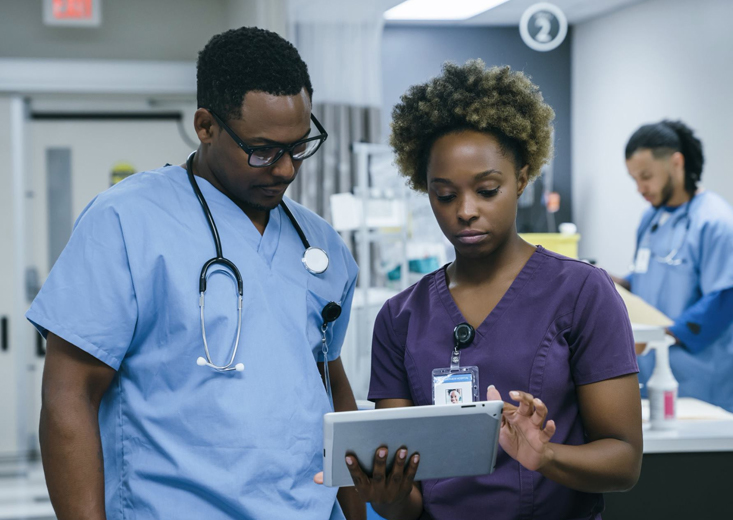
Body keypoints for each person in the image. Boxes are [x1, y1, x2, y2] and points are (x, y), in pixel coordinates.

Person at [27, 27, 365, 520]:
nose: (287, 170)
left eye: (299, 147)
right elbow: (69, 393)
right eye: (264, 149)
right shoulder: (126, 221)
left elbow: (330, 387)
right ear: (205, 126)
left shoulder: (321, 244)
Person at [338, 61, 643, 520]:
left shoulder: (582, 292)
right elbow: (407, 505)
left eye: (487, 189)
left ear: (521, 178)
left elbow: (624, 461)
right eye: (444, 195)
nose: (465, 211)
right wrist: (387, 493)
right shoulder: (400, 317)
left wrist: (547, 456)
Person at [615, 120, 733, 412]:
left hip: (699, 381)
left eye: (646, 176)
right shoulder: (650, 220)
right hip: (650, 375)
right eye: (634, 180)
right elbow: (649, 279)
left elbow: (724, 298)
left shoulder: (715, 222)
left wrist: (659, 336)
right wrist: (610, 282)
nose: (640, 188)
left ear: (676, 162)